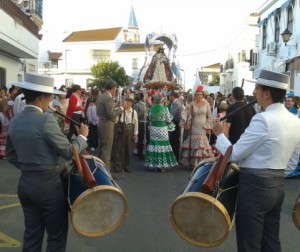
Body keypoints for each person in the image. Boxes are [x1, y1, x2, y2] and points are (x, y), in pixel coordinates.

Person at [212, 70, 300, 252]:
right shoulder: (295, 121)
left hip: (254, 188)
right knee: (271, 242)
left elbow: (234, 154)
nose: (254, 93)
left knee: (249, 244)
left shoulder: (263, 119)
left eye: (257, 89)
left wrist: (219, 135)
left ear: (267, 93)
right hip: (277, 187)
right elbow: (291, 165)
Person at [5, 73, 89, 252]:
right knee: (56, 236)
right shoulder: (45, 120)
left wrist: (30, 167)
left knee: (32, 236)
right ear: (42, 97)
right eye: (50, 96)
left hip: (26, 184)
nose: (52, 100)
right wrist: (82, 136)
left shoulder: (15, 121)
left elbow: (11, 156)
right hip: (48, 186)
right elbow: (69, 152)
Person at [96, 80, 127, 170]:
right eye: (115, 89)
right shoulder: (108, 98)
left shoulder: (101, 96)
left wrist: (116, 106)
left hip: (101, 122)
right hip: (107, 125)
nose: (116, 91)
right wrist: (122, 108)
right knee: (107, 149)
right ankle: (106, 172)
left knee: (101, 147)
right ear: (113, 88)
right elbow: (112, 114)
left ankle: (98, 168)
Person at [180, 90, 215, 168]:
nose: (199, 96)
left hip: (203, 127)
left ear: (203, 96)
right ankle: (193, 163)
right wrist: (184, 119)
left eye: (201, 95)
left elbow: (209, 117)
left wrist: (207, 125)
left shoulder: (206, 104)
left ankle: (201, 163)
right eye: (198, 95)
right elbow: (185, 113)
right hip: (194, 126)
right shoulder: (191, 104)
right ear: (195, 96)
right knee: (194, 143)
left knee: (201, 144)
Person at [144, 94, 177, 172]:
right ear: (162, 101)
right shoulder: (165, 109)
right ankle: (162, 166)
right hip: (162, 130)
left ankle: (155, 165)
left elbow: (149, 118)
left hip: (153, 129)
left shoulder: (151, 109)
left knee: (154, 146)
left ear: (154, 101)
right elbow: (168, 120)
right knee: (163, 145)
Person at [113, 93, 138, 173]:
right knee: (118, 148)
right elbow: (115, 120)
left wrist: (135, 133)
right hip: (120, 129)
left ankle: (126, 165)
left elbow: (136, 123)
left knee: (128, 149)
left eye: (130, 101)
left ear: (132, 103)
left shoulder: (134, 112)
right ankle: (117, 166)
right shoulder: (120, 110)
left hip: (129, 129)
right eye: (127, 101)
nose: (128, 103)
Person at [133, 92, 148, 159]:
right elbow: (135, 116)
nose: (147, 98)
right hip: (140, 123)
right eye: (146, 96)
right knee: (141, 138)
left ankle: (146, 152)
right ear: (142, 97)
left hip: (147, 122)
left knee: (147, 138)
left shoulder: (148, 105)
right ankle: (140, 153)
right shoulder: (137, 105)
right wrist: (142, 113)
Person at [169, 91, 183, 161]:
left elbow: (171, 115)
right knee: (175, 139)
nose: (169, 98)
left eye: (170, 97)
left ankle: (174, 155)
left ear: (172, 96)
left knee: (174, 139)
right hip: (176, 122)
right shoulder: (177, 102)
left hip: (175, 122)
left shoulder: (176, 103)